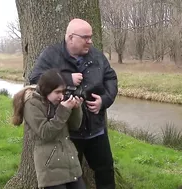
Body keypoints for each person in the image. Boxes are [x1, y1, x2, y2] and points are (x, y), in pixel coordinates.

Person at [28, 18, 118, 189]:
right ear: (71, 38)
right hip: (67, 131)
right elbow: (35, 80)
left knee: (105, 171)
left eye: (90, 37)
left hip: (96, 128)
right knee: (71, 178)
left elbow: (111, 78)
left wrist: (104, 100)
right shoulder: (51, 55)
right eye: (85, 37)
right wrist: (66, 79)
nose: (90, 41)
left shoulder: (97, 56)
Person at [12, 68, 86, 189]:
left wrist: (76, 109)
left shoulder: (59, 102)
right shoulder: (32, 104)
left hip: (70, 163)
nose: (61, 96)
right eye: (57, 92)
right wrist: (63, 110)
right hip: (50, 168)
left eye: (63, 92)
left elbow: (75, 126)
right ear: (47, 90)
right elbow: (45, 132)